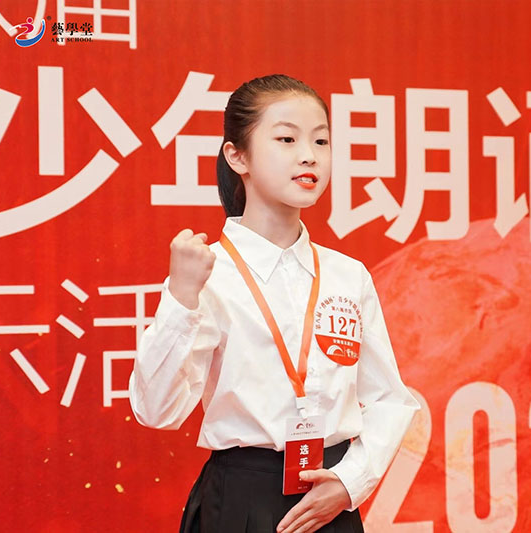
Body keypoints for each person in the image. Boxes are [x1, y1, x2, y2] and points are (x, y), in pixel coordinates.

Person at [129, 74, 419, 533]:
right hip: (240, 499)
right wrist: (181, 297)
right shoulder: (207, 273)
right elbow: (157, 410)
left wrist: (350, 482)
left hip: (329, 497)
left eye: (320, 141)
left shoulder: (348, 275)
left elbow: (388, 399)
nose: (309, 155)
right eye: (287, 139)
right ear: (237, 156)